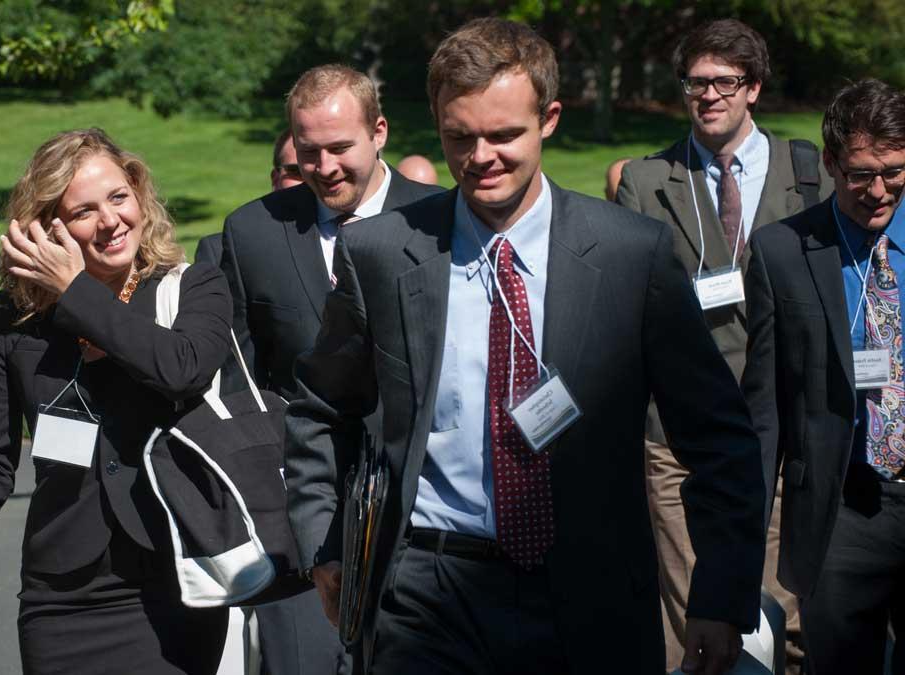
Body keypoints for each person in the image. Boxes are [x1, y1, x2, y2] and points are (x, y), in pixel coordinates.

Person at [285, 18, 765, 675]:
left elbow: (719, 437)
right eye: (460, 137)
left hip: (589, 593)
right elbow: (319, 406)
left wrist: (721, 591)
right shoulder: (383, 254)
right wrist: (326, 543)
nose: (481, 156)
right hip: (426, 593)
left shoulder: (632, 254)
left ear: (550, 118)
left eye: (504, 134)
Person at [0, 128, 232, 675]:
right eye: (85, 211)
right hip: (62, 594)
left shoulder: (191, 288)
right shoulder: (15, 320)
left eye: (119, 197)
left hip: (171, 583)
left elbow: (181, 370)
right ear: (51, 229)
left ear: (139, 194)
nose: (111, 221)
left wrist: (76, 294)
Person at [613, 19, 832, 670]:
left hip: (783, 432)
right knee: (694, 629)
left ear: (753, 88)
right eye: (696, 83)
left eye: (724, 83)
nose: (708, 95)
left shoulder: (810, 173)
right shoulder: (647, 182)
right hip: (676, 435)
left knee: (783, 624)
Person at [219, 64, 442, 675]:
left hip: (421, 508)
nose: (324, 168)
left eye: (340, 148)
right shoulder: (253, 232)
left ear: (379, 132)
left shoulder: (441, 220)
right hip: (300, 503)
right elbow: (241, 376)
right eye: (309, 152)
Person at [742, 78, 905, 675]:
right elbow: (764, 412)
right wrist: (740, 545)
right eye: (861, 173)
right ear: (830, 162)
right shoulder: (783, 250)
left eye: (894, 170)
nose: (879, 190)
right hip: (842, 510)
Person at [195, 129, 303, 266]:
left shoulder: (338, 242)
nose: (308, 182)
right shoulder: (221, 253)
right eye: (296, 172)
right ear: (275, 179)